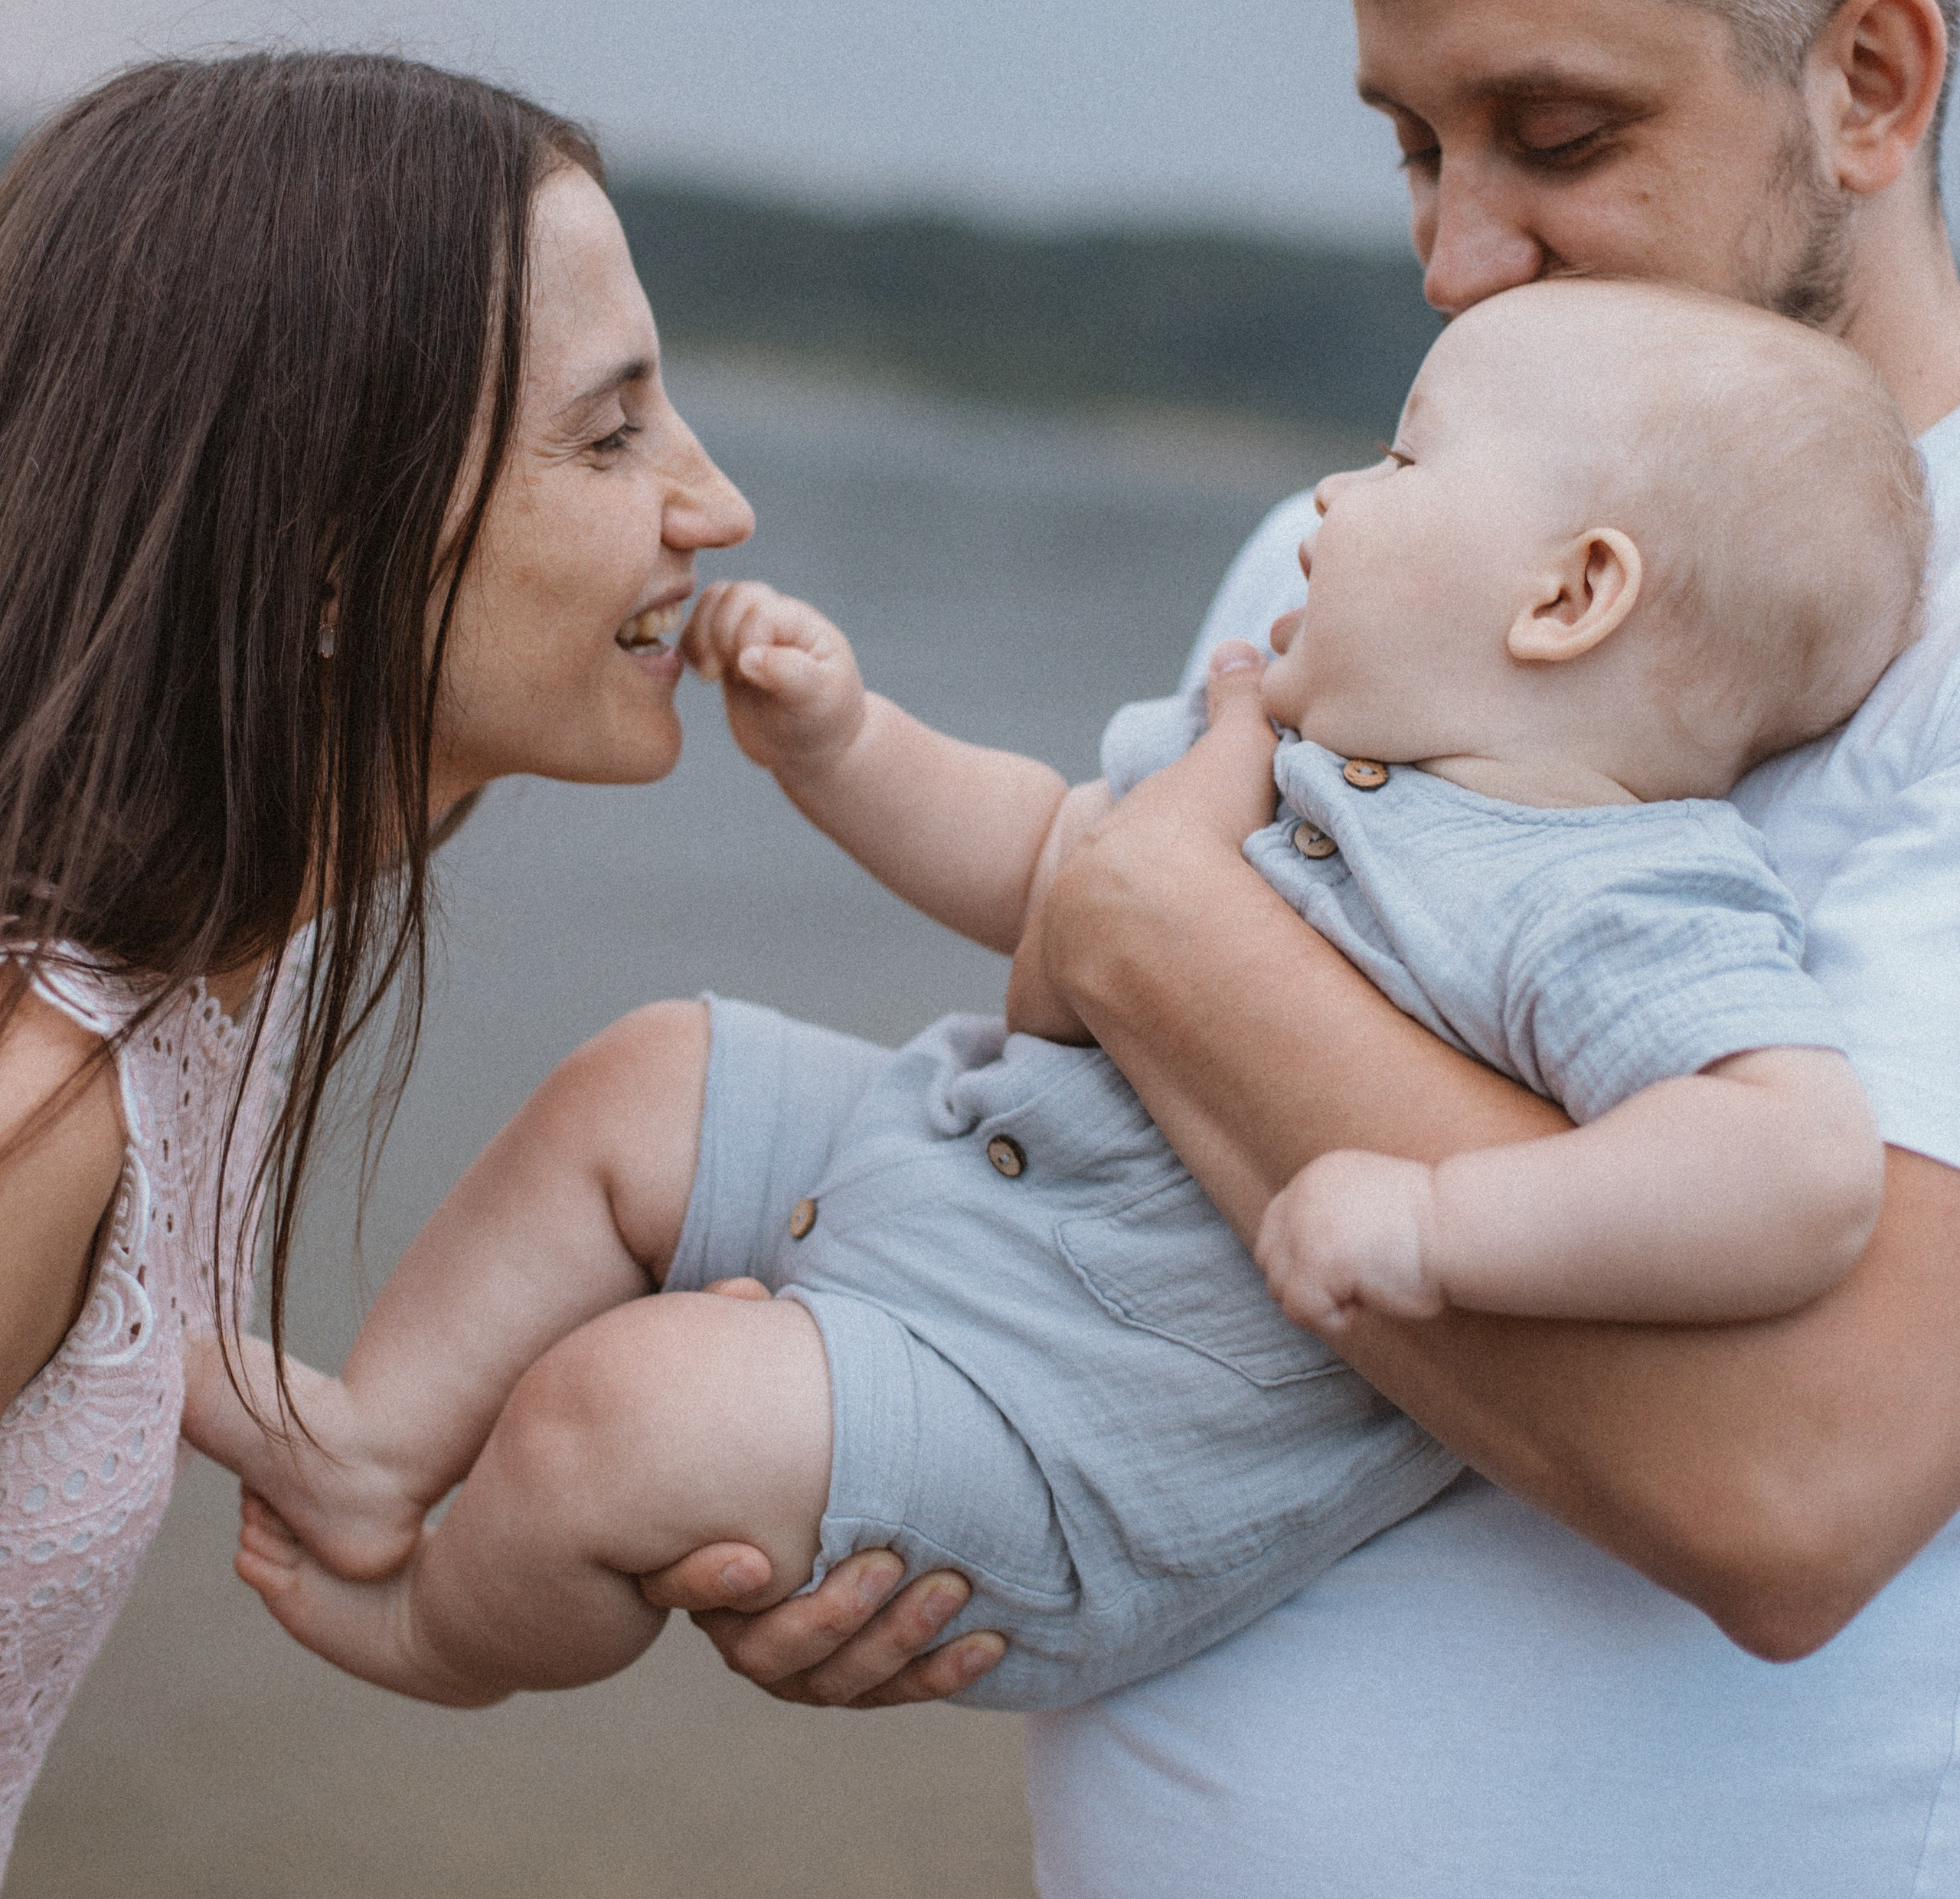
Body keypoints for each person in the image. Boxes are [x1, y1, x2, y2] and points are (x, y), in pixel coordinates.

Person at [644, 0, 1960, 1899]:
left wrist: (1153, 924)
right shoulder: (1355, 550)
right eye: (1408, 146)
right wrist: (863, 1454)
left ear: (1870, 79)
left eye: (1556, 133)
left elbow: (1791, 1482)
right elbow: (1076, 1133)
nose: (1458, 254)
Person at [185, 279, 1925, 1727]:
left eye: (1402, 459)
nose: (1331, 499)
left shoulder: (1620, 895)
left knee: (628, 1408)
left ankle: (443, 1634)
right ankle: (377, 1446)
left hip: (1063, 1423)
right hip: (962, 1172)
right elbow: (1043, 858)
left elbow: (1792, 1163)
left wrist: (1446, 1221)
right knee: (655, 1069)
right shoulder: (1297, 737)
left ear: (1567, 595)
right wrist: (845, 746)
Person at [0, 48, 753, 1879]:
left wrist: (354, 1444)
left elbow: (113, 1312)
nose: (714, 504)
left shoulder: (213, 955)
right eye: (610, 436)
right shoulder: (39, 1107)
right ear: (329, 555)